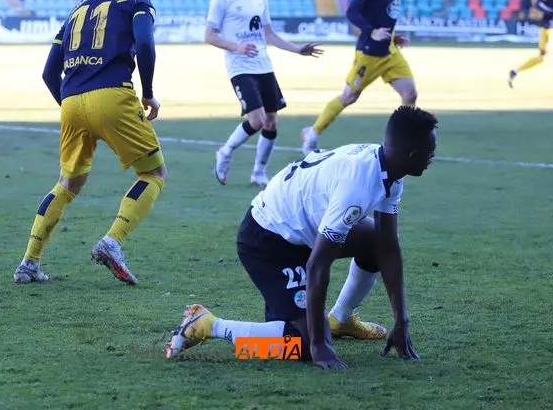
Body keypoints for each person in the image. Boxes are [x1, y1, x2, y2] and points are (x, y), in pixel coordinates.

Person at [166, 106, 439, 369]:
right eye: (430, 153)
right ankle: (209, 325)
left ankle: (340, 319)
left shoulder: (389, 169)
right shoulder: (357, 186)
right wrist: (320, 344)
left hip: (300, 229)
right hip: (267, 240)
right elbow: (318, 264)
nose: (432, 158)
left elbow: (388, 246)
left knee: (375, 241)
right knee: (303, 346)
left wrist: (401, 322)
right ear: (411, 154)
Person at [13, 0, 166, 286]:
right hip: (112, 95)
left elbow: (49, 73)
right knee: (154, 174)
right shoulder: (137, 2)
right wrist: (150, 93)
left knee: (67, 184)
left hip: (71, 102)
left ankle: (29, 263)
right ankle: (112, 242)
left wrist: (74, 108)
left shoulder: (76, 10)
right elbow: (144, 44)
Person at [207, 0, 323, 188]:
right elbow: (209, 36)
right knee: (257, 119)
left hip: (263, 65)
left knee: (271, 122)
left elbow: (269, 35)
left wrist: (297, 49)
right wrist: (236, 47)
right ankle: (225, 152)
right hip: (239, 66)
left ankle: (259, 172)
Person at [301, 0, 416, 155]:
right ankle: (312, 132)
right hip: (369, 53)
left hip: (390, 52)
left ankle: (399, 141)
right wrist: (371, 31)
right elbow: (352, 12)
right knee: (349, 96)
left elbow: (384, 17)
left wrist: (393, 36)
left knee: (410, 94)